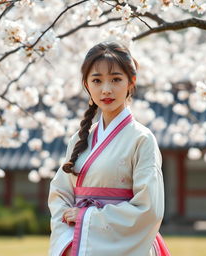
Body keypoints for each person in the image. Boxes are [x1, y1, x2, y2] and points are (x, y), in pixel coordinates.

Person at [48, 41, 170, 256]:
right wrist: (67, 240)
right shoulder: (80, 139)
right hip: (77, 243)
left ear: (131, 82)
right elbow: (60, 194)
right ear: (87, 85)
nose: (106, 89)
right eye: (97, 80)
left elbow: (149, 208)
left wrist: (87, 217)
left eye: (116, 79)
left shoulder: (142, 139)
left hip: (126, 247)